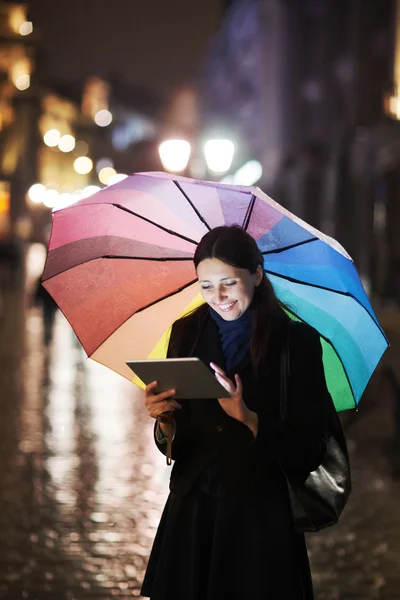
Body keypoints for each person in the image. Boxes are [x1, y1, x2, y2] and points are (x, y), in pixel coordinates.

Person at [141, 225, 342, 600]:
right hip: (193, 514)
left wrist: (249, 419)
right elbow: (179, 439)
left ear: (258, 274)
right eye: (205, 285)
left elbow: (311, 448)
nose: (217, 297)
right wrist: (165, 422)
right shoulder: (185, 333)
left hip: (260, 522)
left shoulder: (295, 344)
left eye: (229, 283)